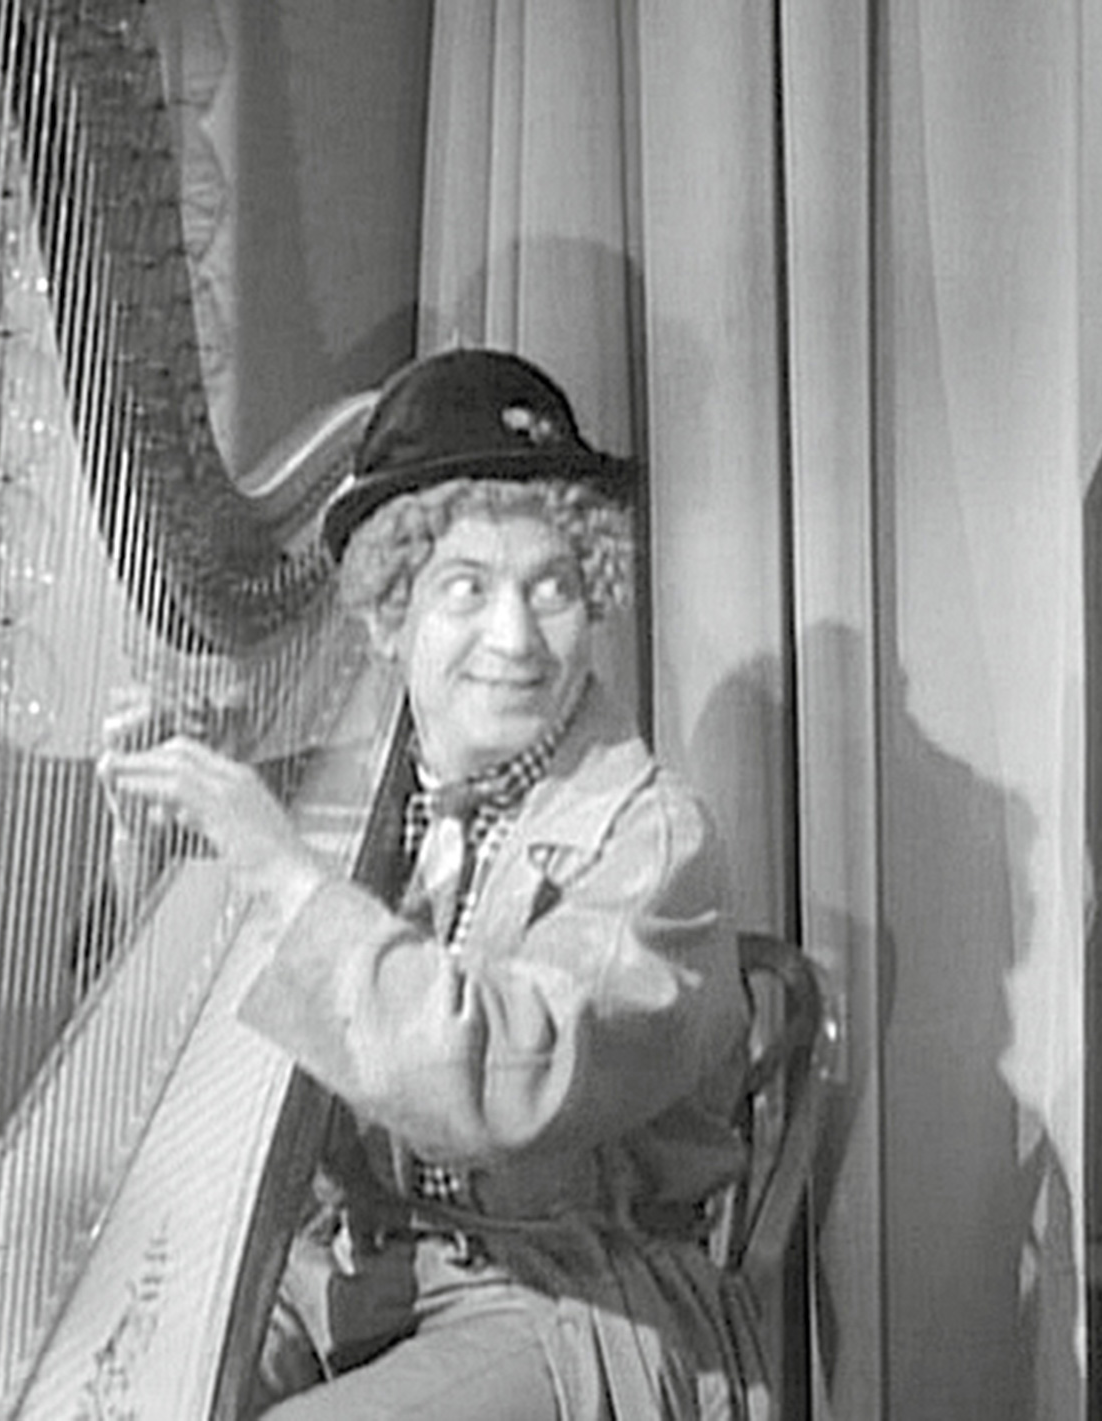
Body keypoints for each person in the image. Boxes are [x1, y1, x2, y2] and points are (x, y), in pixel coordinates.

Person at [97, 348, 769, 1419]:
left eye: (551, 586)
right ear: (385, 612)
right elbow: (198, 1039)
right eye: (466, 588)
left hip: (565, 1297)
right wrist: (153, 839)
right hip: (348, 1280)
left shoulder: (654, 837)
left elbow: (503, 1085)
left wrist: (279, 872)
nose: (514, 637)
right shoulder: (348, 805)